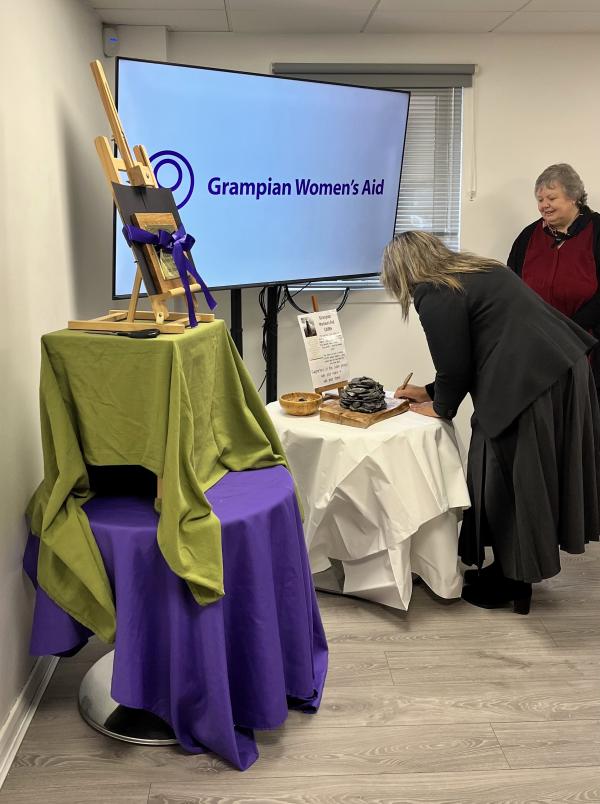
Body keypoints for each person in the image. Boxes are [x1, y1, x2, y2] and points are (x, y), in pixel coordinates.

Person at [381, 230, 600, 614]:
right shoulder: (479, 271)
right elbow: (476, 348)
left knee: (508, 479)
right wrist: (432, 392)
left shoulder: (434, 291)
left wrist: (441, 406)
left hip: (530, 383)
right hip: (561, 370)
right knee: (517, 475)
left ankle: (514, 581)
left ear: (402, 270)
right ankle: (511, 570)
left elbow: (455, 364)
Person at [508, 163, 600, 391]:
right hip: (537, 347)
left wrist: (570, 331)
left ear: (573, 197)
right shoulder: (527, 237)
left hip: (589, 346)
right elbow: (511, 287)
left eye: (551, 198)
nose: (544, 206)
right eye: (540, 200)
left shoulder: (597, 231)